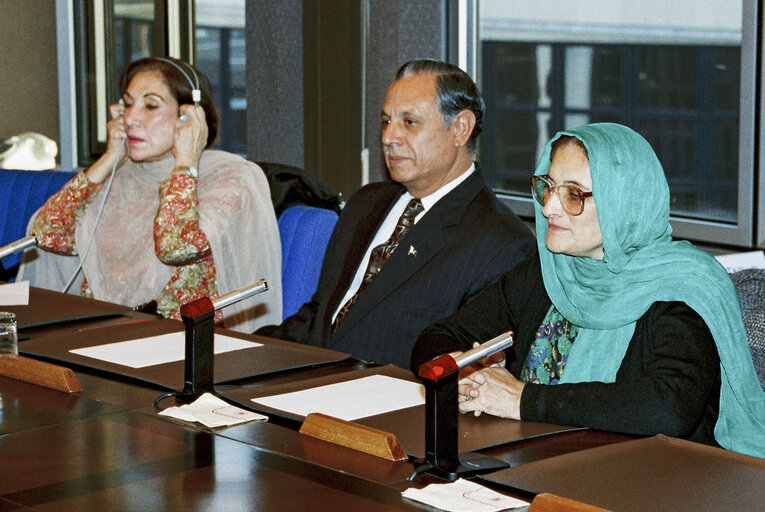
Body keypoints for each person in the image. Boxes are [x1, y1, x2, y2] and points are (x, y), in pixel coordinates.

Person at [411, 123, 765, 458]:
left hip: (658, 479)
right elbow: (437, 338)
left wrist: (522, 399)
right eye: (548, 186)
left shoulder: (683, 285)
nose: (548, 206)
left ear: (624, 202)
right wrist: (470, 374)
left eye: (573, 194)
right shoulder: (550, 270)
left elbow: (667, 407)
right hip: (537, 461)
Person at [256, 59, 536, 367]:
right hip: (307, 386)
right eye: (386, 121)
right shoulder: (365, 204)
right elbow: (320, 318)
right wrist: (238, 354)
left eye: (409, 123)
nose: (389, 137)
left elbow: (467, 370)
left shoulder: (502, 243)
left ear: (460, 129)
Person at [19, 57, 281, 332]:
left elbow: (175, 246)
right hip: (102, 335)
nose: (130, 118)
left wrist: (186, 163)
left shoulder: (232, 177)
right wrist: (109, 159)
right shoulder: (121, 176)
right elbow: (45, 234)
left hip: (180, 349)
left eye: (151, 105)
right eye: (128, 104)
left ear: (189, 116)